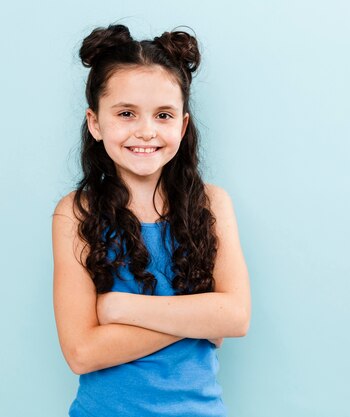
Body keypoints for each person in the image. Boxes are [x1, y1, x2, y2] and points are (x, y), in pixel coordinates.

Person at [51, 24, 251, 417]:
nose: (146, 130)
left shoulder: (212, 203)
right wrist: (197, 318)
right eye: (126, 113)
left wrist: (116, 308)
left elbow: (235, 317)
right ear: (95, 123)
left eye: (163, 115)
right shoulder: (76, 213)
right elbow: (81, 352)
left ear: (183, 125)